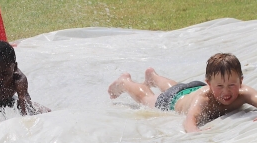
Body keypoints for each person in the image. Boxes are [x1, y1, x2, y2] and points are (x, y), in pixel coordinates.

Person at [108, 53, 257, 133]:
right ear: (209, 84)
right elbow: (189, 121)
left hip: (189, 90)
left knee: (177, 86)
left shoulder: (243, 92)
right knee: (147, 98)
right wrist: (196, 132)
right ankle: (124, 82)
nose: (226, 91)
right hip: (172, 101)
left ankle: (153, 77)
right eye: (220, 86)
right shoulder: (204, 98)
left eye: (232, 84)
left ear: (241, 81)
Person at [0, 40, 51, 119]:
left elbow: (25, 103)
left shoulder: (18, 79)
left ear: (14, 67)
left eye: (5, 74)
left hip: (7, 101)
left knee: (46, 111)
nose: (0, 78)